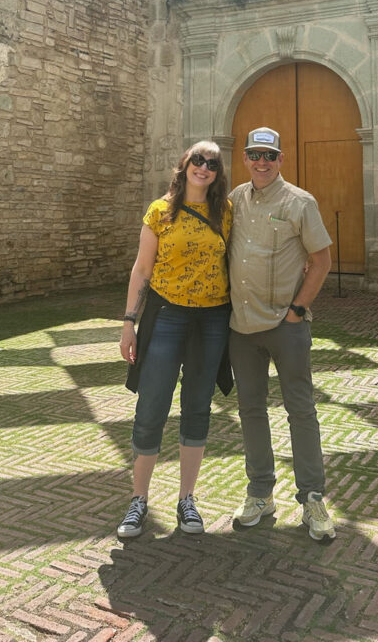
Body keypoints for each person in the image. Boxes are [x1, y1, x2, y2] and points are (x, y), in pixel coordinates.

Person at [117, 140, 233, 540]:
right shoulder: (160, 211)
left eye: (212, 163)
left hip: (212, 320)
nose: (204, 167)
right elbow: (141, 269)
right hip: (166, 317)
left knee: (197, 408)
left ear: (218, 173)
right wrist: (129, 321)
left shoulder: (226, 212)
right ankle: (138, 499)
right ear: (183, 167)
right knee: (151, 405)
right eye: (197, 160)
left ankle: (187, 499)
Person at [228, 126, 336, 542]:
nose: (261, 162)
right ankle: (260, 494)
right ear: (246, 158)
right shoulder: (235, 199)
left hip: (285, 326)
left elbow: (321, 260)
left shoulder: (299, 202)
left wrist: (297, 311)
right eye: (254, 154)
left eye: (269, 156)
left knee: (301, 410)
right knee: (251, 411)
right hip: (241, 328)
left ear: (280, 159)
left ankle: (311, 498)